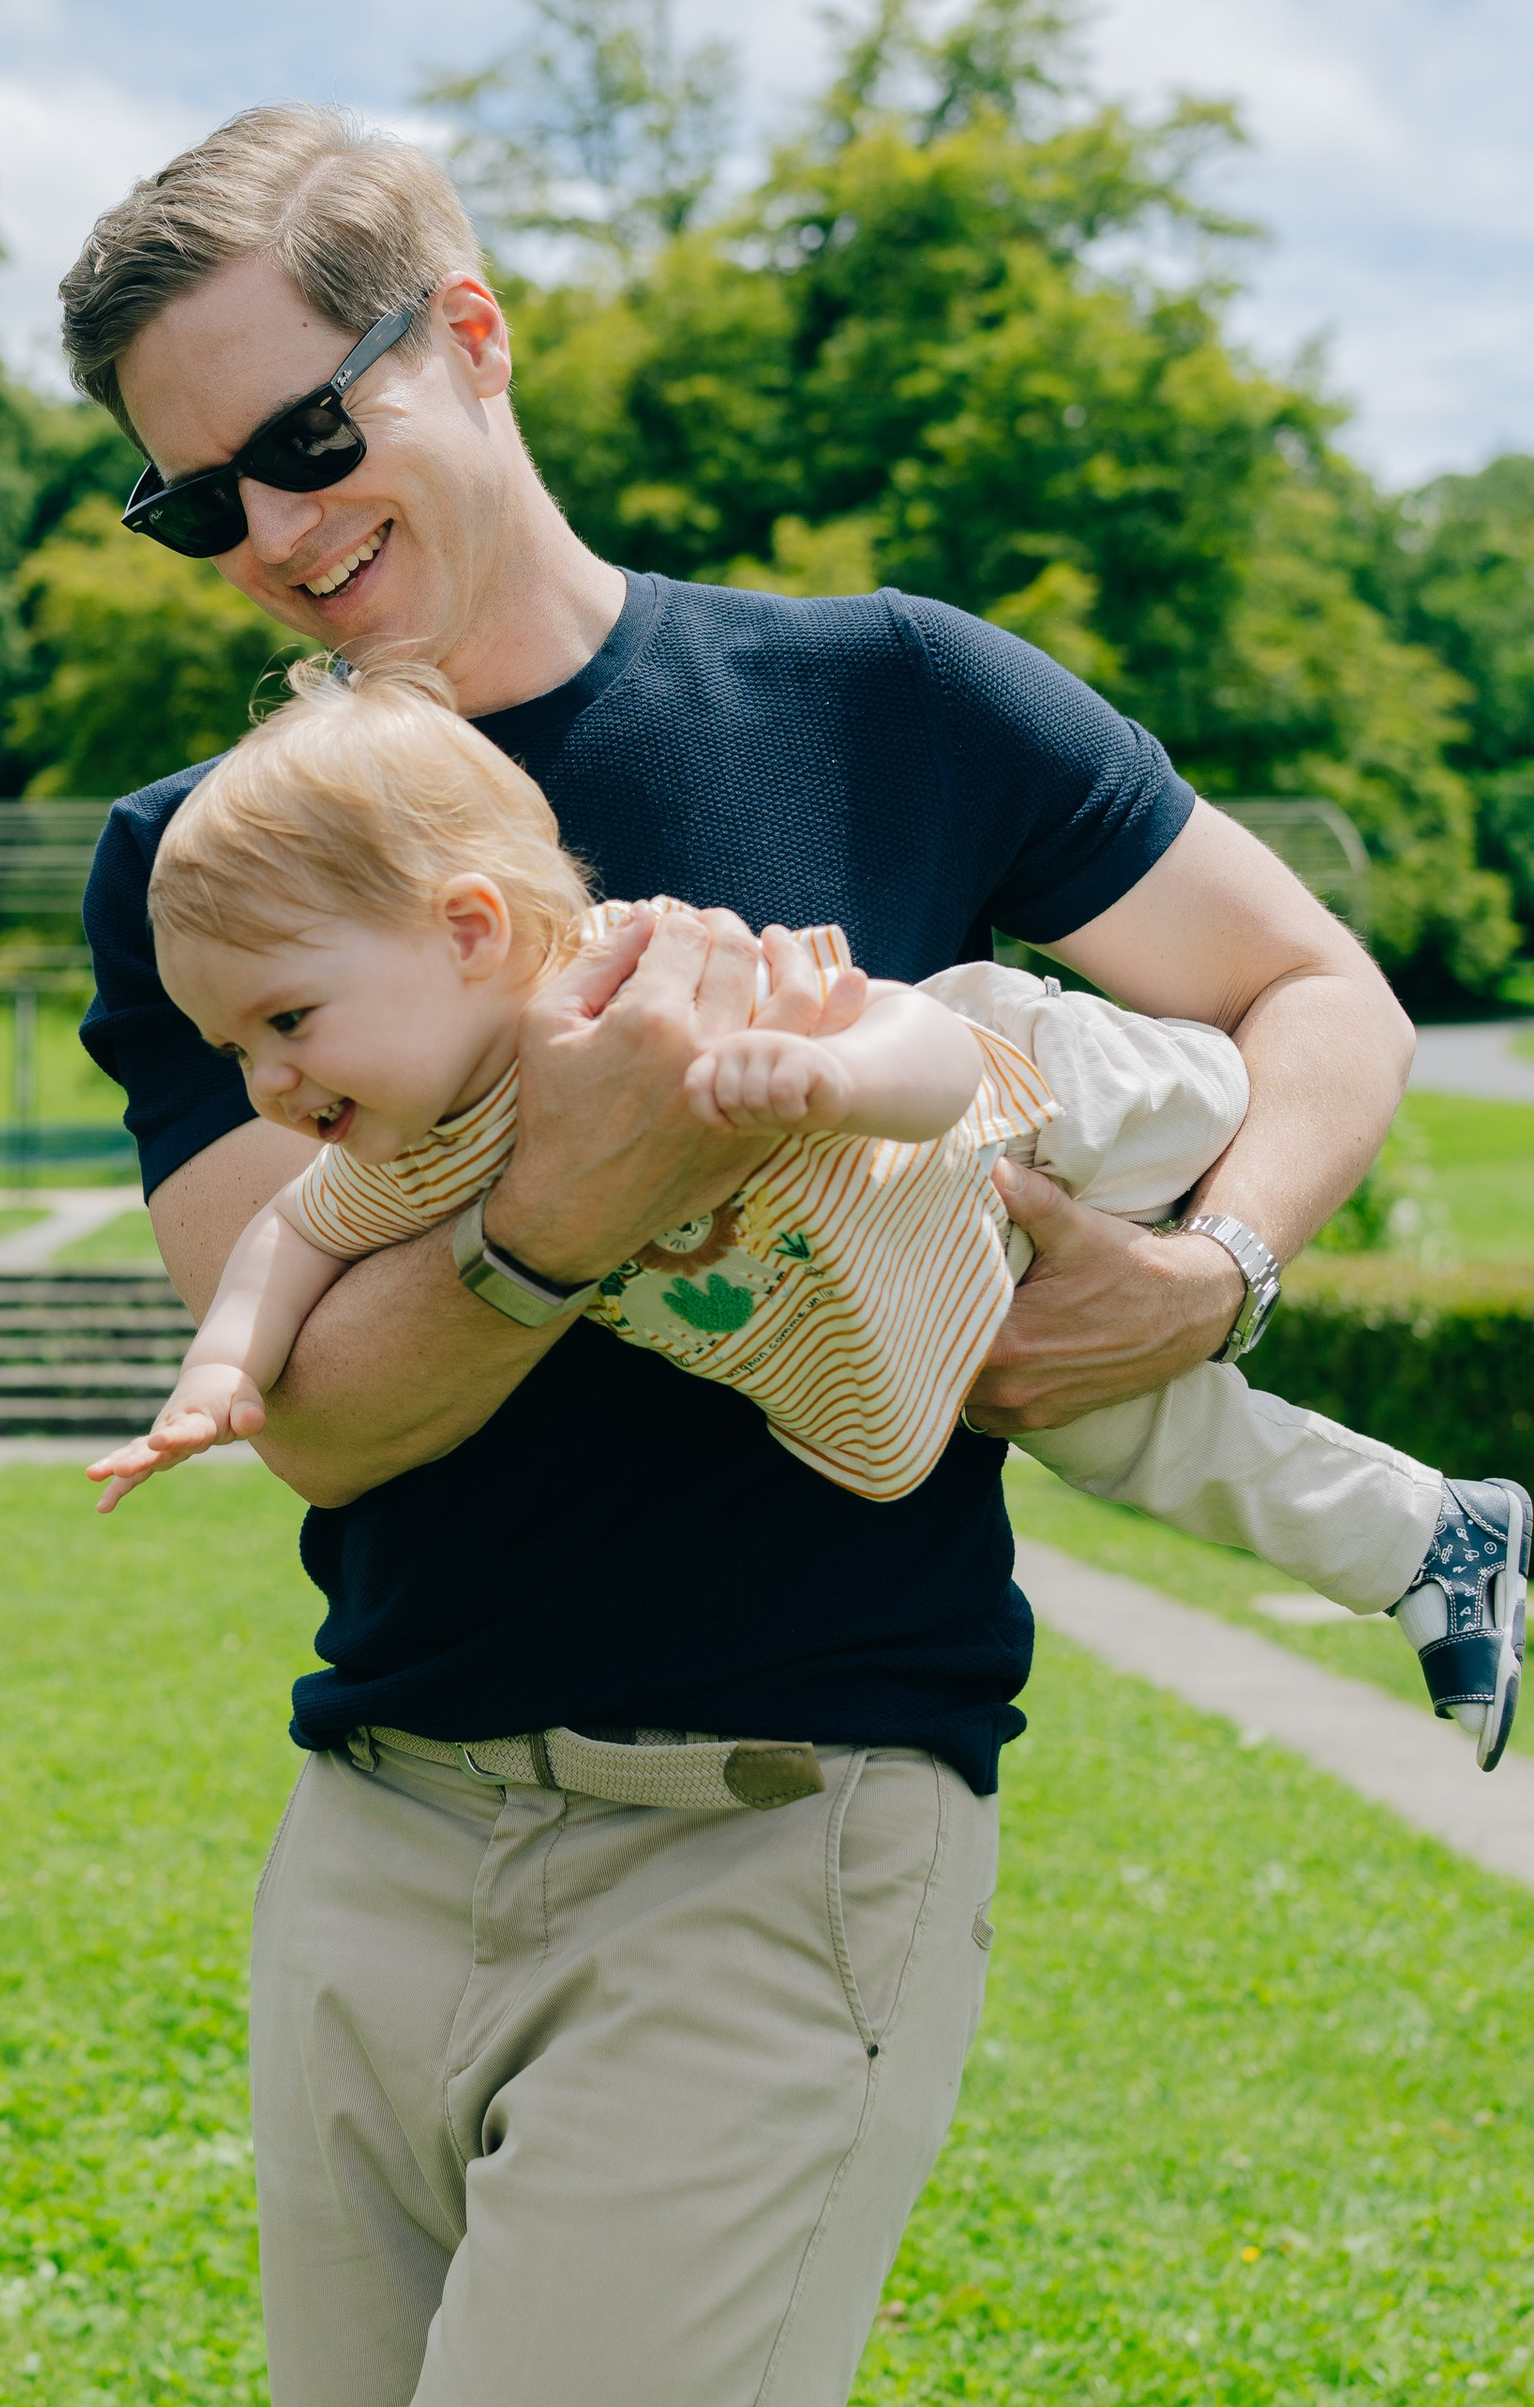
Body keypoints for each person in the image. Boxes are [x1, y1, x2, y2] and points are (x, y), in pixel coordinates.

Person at [63, 103, 1418, 2407]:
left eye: (304, 441)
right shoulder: (211, 873)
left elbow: (1316, 1000)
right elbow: (317, 1402)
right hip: (382, 1848)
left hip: (780, 1851)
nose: (270, 534)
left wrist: (1218, 1271)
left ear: (467, 329)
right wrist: (576, 1208)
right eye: (193, 496)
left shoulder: (885, 698)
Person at [85, 656, 1526, 1764]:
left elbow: (931, 1043)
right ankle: (1428, 1543)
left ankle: (1212, 1149)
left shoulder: (642, 979)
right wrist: (221, 1375)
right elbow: (292, 1235)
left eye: (287, 1020)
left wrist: (827, 1075)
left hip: (1024, 1106)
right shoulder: (416, 1145)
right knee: (1122, 1434)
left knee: (1191, 1099)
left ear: (469, 933)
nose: (268, 1080)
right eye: (235, 1054)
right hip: (949, 1290)